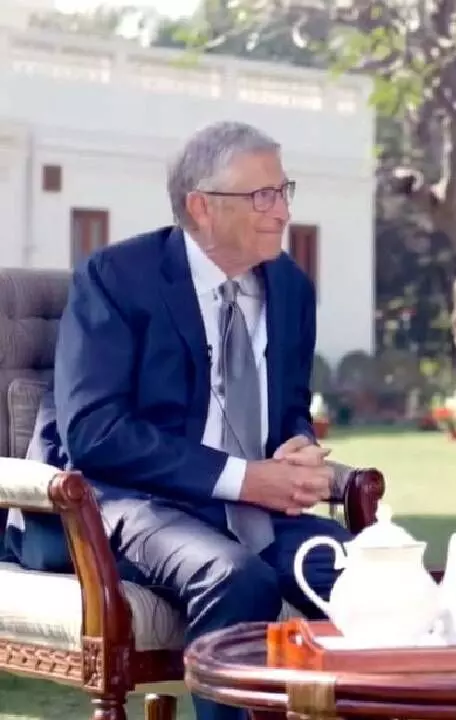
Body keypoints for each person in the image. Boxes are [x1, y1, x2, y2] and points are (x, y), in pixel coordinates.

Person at [52, 121, 351, 720]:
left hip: (254, 510)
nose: (282, 211)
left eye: (284, 191)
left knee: (366, 576)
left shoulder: (290, 287)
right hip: (132, 501)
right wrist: (245, 479)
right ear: (201, 206)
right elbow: (94, 431)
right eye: (262, 195)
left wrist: (297, 449)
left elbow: (288, 401)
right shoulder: (117, 279)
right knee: (235, 577)